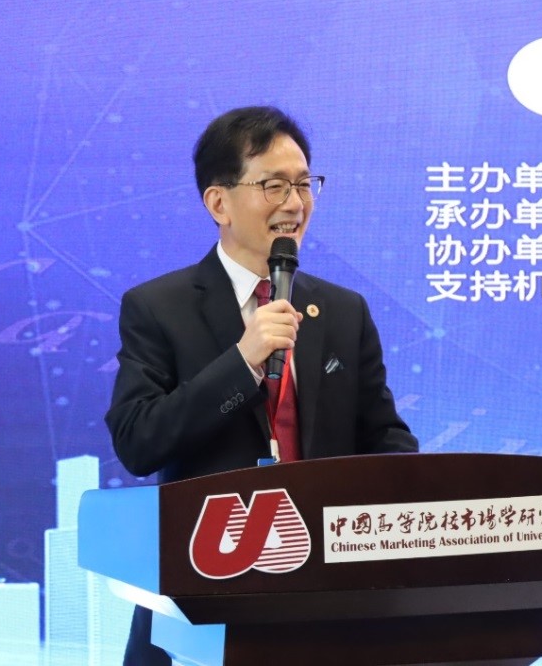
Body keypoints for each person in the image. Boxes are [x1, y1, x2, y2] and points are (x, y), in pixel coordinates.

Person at [105, 106, 418, 665]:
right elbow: (138, 441)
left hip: (328, 604)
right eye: (273, 186)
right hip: (202, 598)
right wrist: (243, 361)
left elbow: (385, 440)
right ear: (218, 203)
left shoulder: (343, 311)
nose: (294, 203)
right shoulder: (158, 307)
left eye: (304, 184)